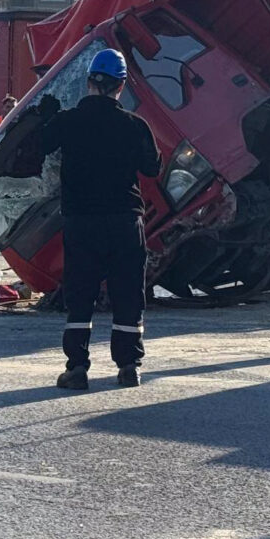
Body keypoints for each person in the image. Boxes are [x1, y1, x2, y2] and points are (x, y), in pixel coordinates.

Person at [40, 49, 161, 390]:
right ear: (121, 86)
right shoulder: (135, 125)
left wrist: (44, 115)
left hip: (82, 220)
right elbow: (153, 167)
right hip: (125, 219)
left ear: (90, 82)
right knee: (128, 292)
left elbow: (38, 146)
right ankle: (129, 367)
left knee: (80, 292)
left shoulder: (68, 122)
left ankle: (77, 367)